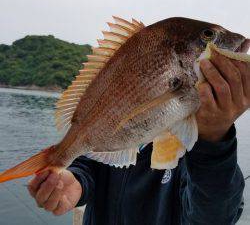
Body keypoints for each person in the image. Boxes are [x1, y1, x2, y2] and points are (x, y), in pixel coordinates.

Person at [28, 53, 250, 225]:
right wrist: (76, 180)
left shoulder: (194, 143)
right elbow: (91, 162)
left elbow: (214, 217)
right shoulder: (116, 120)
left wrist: (214, 140)